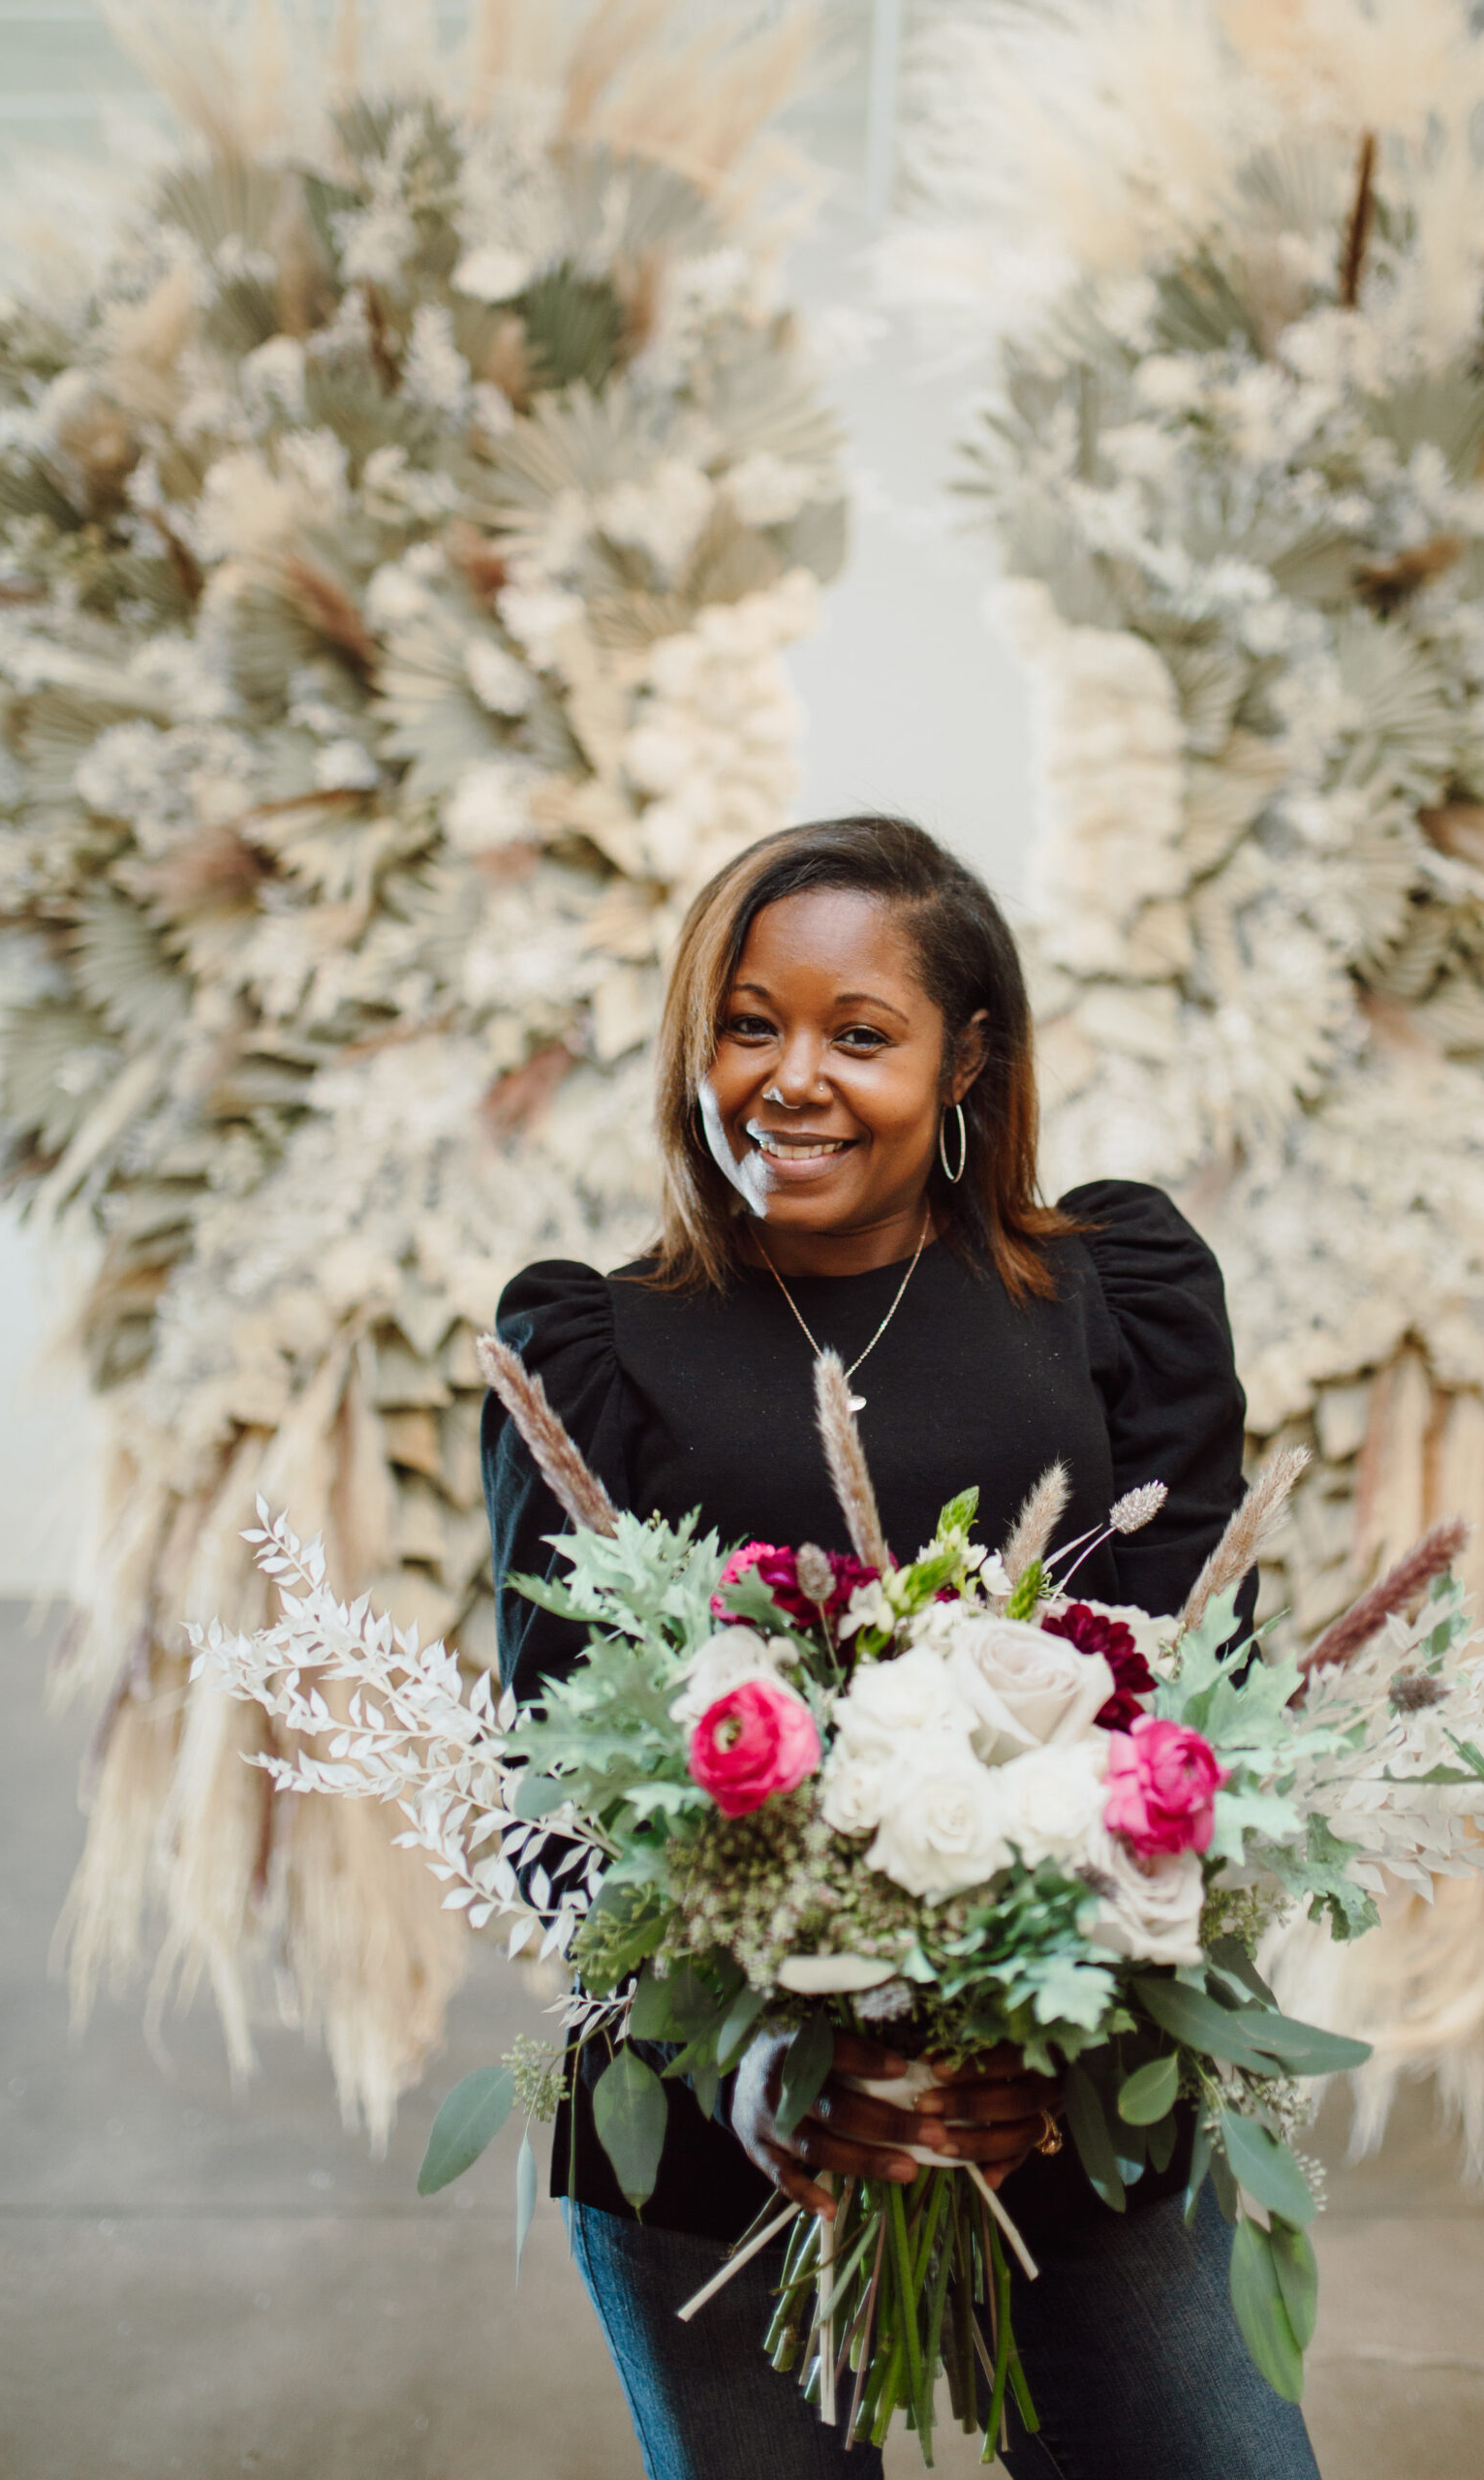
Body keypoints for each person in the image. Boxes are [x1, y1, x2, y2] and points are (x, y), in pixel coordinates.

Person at [483, 816, 1320, 2480]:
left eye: (859, 1035)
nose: (790, 1079)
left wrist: (1026, 2019)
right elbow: (559, 1775)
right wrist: (773, 2048)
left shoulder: (1115, 1294)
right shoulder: (588, 1351)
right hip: (723, 2126)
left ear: (966, 1060)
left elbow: (1194, 1712)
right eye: (747, 1024)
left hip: (1074, 2091)